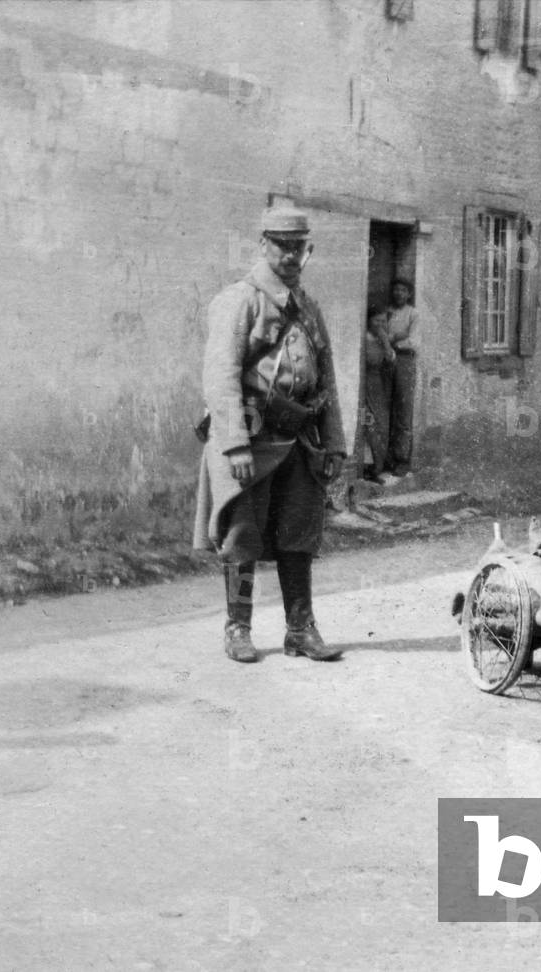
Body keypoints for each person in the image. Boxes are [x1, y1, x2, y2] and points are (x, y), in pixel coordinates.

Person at [193, 205, 346, 663]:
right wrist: (235, 443)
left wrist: (335, 442)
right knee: (242, 535)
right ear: (263, 245)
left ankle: (301, 629)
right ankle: (238, 628)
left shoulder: (310, 308)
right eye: (282, 245)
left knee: (299, 532)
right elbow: (219, 375)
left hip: (299, 440)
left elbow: (327, 379)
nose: (291, 256)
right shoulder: (241, 300)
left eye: (299, 247)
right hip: (252, 441)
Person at [384, 277, 420, 477]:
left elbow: (413, 341)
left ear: (409, 294)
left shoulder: (413, 314)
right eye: (396, 289)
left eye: (403, 290)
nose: (398, 293)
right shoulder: (388, 313)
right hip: (387, 362)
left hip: (405, 362)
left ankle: (402, 459)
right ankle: (386, 457)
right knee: (387, 409)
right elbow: (380, 332)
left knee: (404, 411)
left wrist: (394, 341)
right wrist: (395, 337)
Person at [362, 308, 395, 483]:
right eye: (377, 321)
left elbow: (390, 359)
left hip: (377, 385)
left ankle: (377, 467)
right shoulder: (364, 339)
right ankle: (369, 468)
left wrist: (385, 342)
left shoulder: (381, 339)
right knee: (368, 424)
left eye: (383, 322)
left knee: (382, 424)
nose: (381, 325)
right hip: (364, 385)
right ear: (369, 321)